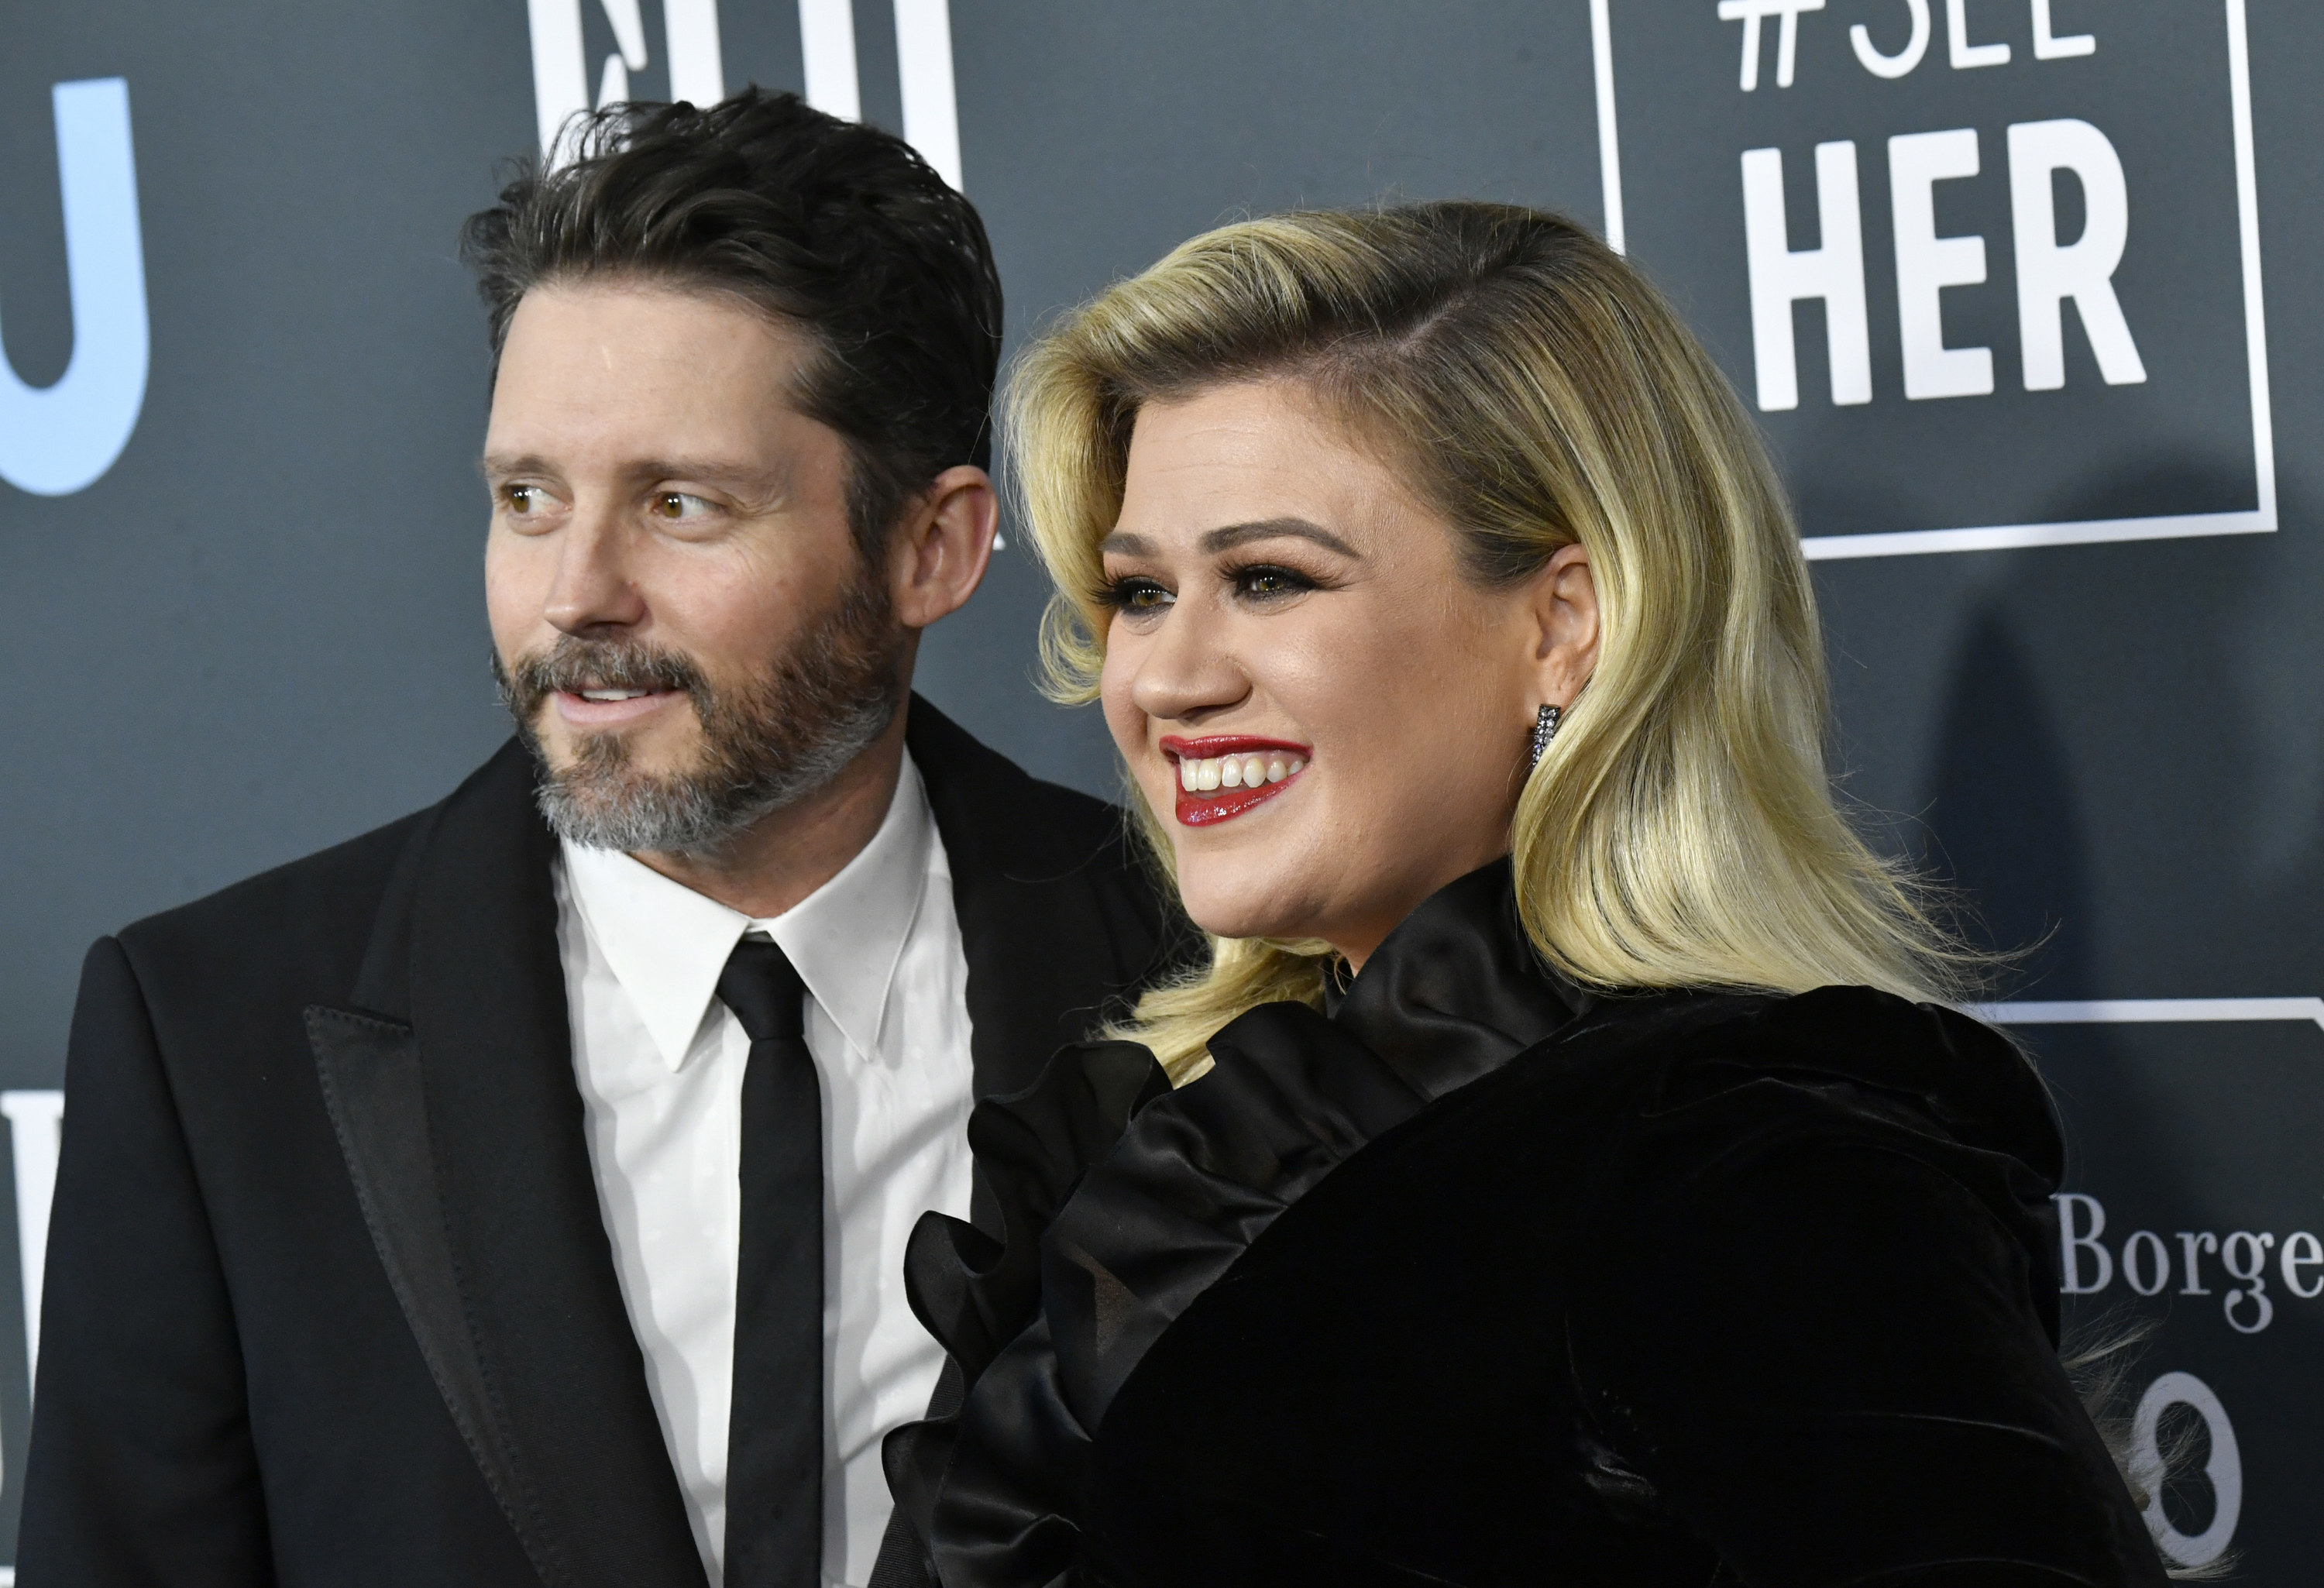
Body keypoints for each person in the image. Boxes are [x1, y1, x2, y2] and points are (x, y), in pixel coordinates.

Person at [882, 203, 2171, 1586]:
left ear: (1565, 622)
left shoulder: (1752, 1155)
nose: (1168, 678)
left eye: (1267, 579)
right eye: (1140, 592)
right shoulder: (1202, 1130)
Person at [19, 91, 1175, 1588]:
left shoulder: (1196, 974)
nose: (576, 594)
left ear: (930, 549)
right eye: (527, 499)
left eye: (680, 504)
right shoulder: (209, 1038)